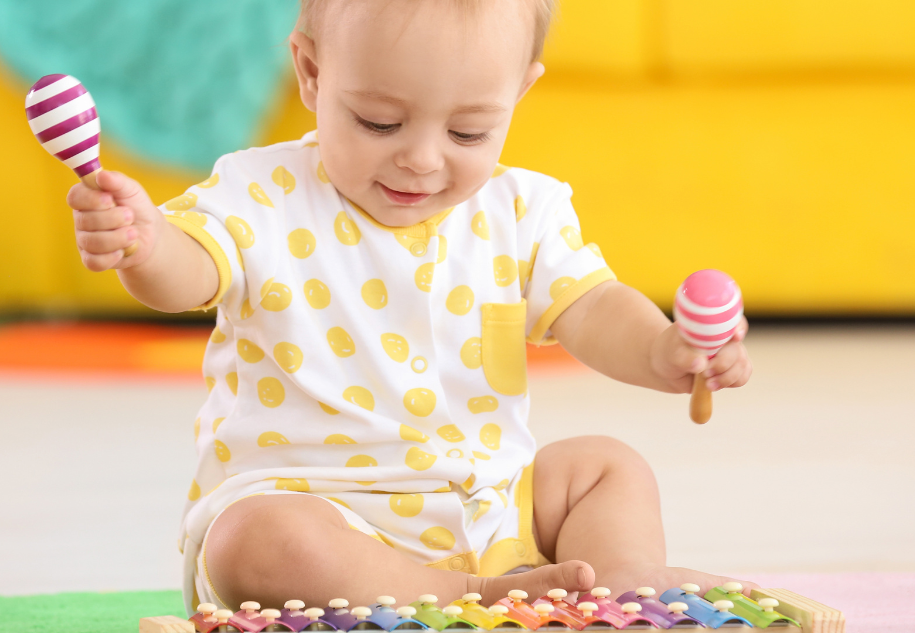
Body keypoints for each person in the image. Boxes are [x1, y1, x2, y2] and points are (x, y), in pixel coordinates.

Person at [66, 0, 753, 614]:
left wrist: (664, 348)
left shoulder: (523, 210)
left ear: (519, 92)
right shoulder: (260, 193)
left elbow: (595, 307)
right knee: (250, 540)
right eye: (380, 121)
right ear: (311, 73)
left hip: (491, 511)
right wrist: (145, 244)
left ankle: (618, 586)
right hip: (321, 517)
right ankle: (463, 596)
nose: (422, 160)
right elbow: (188, 271)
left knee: (609, 465)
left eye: (469, 133)